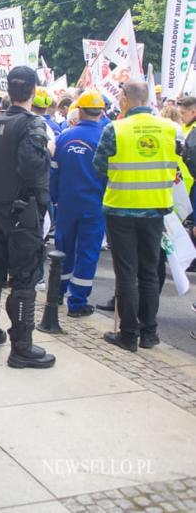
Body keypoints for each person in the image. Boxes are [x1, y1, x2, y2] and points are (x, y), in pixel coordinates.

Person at [0, 66, 56, 369]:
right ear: (33, 90)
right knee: (24, 279)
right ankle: (22, 346)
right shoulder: (33, 126)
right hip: (23, 213)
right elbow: (32, 168)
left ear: (8, 89)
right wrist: (47, 151)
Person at [94, 80, 185, 351]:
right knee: (149, 272)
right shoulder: (171, 129)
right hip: (156, 209)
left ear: (124, 97)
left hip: (121, 208)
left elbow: (99, 165)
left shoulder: (116, 129)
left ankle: (128, 333)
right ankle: (149, 332)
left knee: (126, 273)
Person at [50, 91, 107, 318]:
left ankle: (57, 293)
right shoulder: (105, 138)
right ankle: (77, 302)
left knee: (63, 249)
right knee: (88, 252)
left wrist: (55, 198)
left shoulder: (64, 136)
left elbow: (54, 173)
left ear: (80, 111)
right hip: (94, 205)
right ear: (101, 112)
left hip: (66, 204)